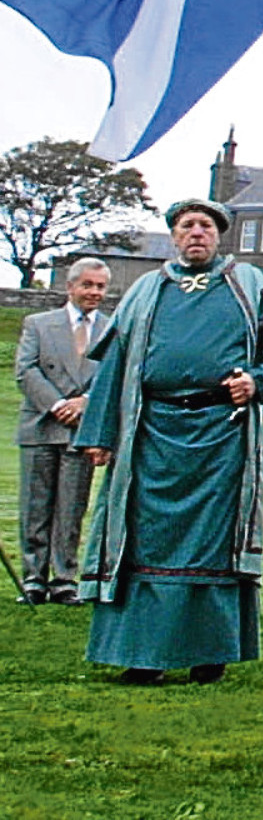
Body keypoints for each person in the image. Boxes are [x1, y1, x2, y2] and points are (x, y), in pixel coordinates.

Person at [74, 199, 263, 683]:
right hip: (152, 437)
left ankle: (209, 654)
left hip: (221, 438)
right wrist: (99, 435)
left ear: (219, 236)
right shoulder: (145, 290)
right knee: (145, 540)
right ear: (174, 236)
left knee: (213, 548)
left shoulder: (249, 284)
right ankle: (144, 656)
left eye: (206, 226)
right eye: (186, 226)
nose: (196, 233)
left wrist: (256, 383)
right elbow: (115, 364)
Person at [15, 258, 109, 605]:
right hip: (41, 426)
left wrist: (84, 402)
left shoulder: (110, 329)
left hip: (81, 431)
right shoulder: (39, 324)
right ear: (70, 287)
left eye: (100, 286)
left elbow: (111, 375)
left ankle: (63, 579)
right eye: (87, 285)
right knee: (35, 506)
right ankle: (33, 579)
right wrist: (58, 406)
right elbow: (26, 371)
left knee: (71, 509)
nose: (94, 292)